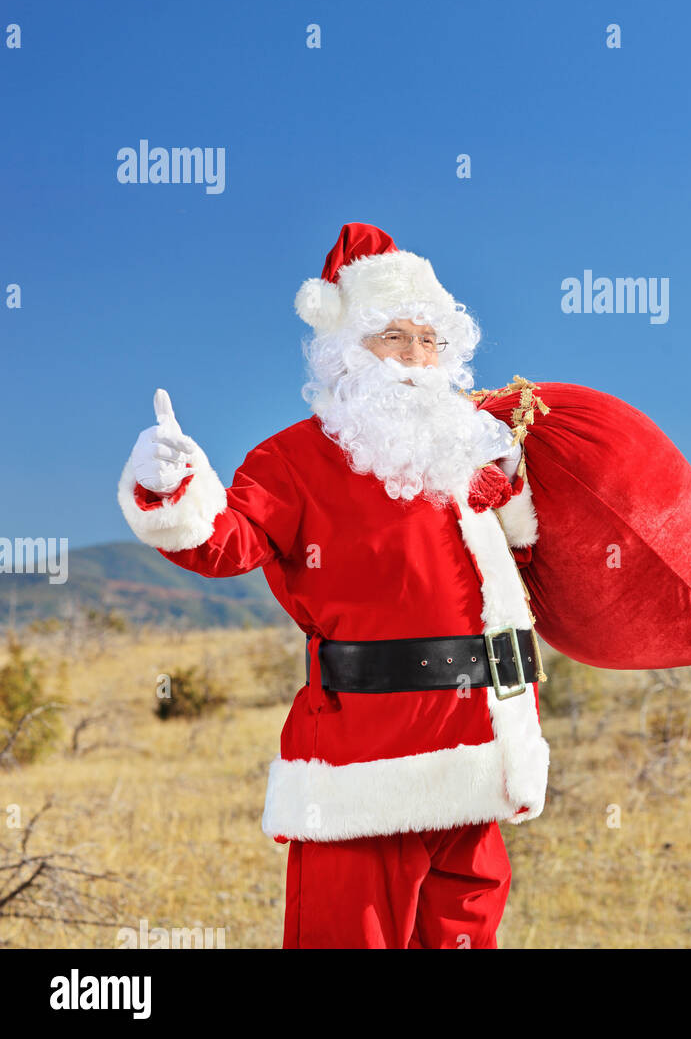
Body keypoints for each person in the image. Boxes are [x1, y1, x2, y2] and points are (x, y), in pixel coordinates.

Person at [116, 223, 549, 949]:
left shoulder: (473, 457)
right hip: (360, 764)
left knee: (464, 934)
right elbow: (226, 543)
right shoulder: (292, 459)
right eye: (394, 338)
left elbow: (537, 562)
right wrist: (173, 488)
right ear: (347, 352)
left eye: (430, 341)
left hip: (479, 747)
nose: (416, 359)